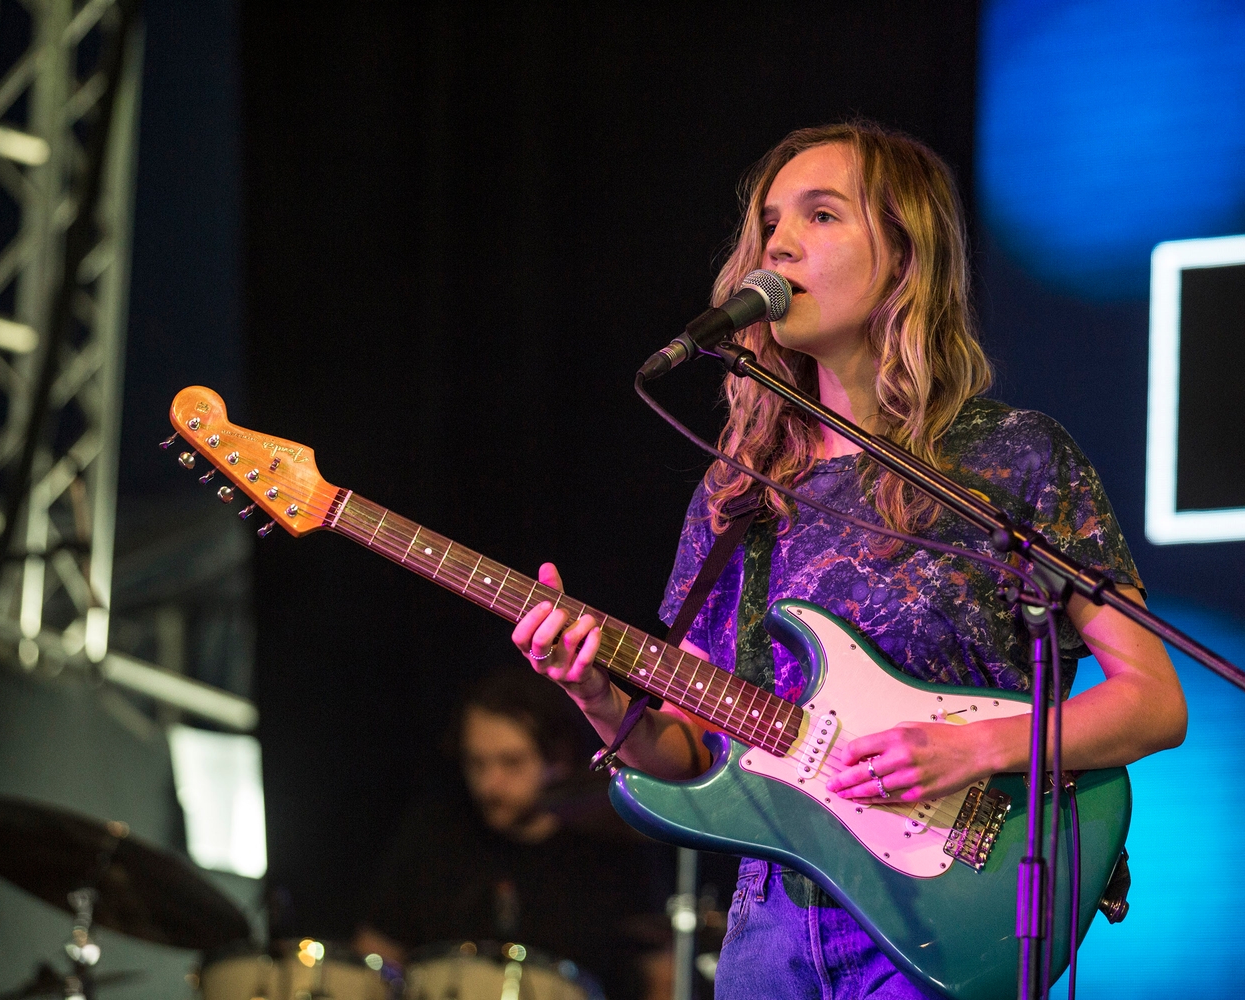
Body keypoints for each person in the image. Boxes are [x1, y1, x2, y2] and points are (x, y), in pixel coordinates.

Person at [511, 121, 1188, 999]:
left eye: (821, 215)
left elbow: (1154, 700)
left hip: (952, 916)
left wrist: (975, 749)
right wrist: (594, 694)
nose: (779, 242)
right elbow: (684, 752)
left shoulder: (1012, 458)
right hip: (771, 934)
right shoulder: (740, 494)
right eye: (769, 222)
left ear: (905, 257)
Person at [355, 668, 662, 997]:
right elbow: (374, 959)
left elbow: (664, 977)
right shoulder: (435, 835)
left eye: (511, 762)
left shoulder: (612, 849)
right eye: (477, 763)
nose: (490, 785)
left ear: (558, 758)